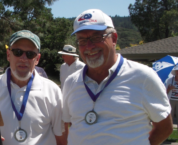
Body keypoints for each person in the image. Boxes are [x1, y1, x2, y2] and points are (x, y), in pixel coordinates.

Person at [62, 9, 173, 145]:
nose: (89, 47)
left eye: (97, 37)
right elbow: (67, 125)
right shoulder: (71, 82)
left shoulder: (143, 76)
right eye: (82, 41)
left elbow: (165, 127)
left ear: (113, 38)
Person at [0, 30, 65, 145]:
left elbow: (61, 138)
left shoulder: (52, 91)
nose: (23, 58)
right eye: (17, 52)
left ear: (37, 59)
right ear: (9, 55)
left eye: (30, 54)